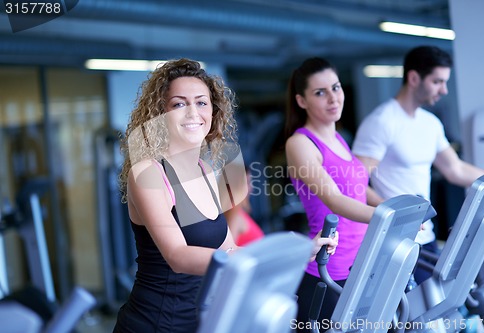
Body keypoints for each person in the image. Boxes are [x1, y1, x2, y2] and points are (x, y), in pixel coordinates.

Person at [113, 58, 338, 333]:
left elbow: (228, 249)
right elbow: (177, 255)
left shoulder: (205, 170)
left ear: (213, 111)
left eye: (201, 102)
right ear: (160, 113)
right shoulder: (148, 172)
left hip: (201, 320)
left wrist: (300, 251)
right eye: (179, 104)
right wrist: (272, 257)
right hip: (156, 322)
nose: (193, 112)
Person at [351, 45, 484, 283]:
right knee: (407, 317)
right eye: (437, 82)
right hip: (393, 243)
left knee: (433, 309)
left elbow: (455, 169)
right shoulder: (382, 122)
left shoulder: (430, 123)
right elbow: (354, 183)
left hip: (425, 238)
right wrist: (396, 211)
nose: (444, 90)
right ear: (414, 78)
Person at [284, 57, 382, 332]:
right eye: (320, 92)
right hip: (328, 272)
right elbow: (334, 199)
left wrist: (395, 207)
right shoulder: (300, 143)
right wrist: (387, 217)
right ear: (302, 101)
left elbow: (358, 189)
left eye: (336, 88)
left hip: (360, 265)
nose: (333, 98)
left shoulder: (338, 139)